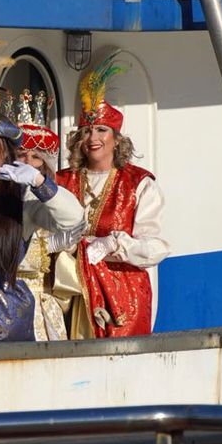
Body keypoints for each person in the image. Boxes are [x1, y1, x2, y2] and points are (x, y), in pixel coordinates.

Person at [0, 35, 83, 342]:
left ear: (5, 150)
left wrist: (39, 182)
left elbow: (73, 218)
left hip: (5, 317)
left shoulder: (22, 199)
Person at [53, 53, 169, 337]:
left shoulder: (138, 184)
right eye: (87, 131)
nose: (93, 138)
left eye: (101, 130)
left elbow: (156, 247)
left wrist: (114, 245)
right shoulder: (62, 180)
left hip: (121, 299)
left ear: (116, 139)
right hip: (70, 294)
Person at [13, 89, 77, 341]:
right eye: (21, 154)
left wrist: (49, 244)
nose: (28, 162)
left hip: (40, 298)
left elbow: (72, 231)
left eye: (35, 156)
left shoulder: (53, 197)